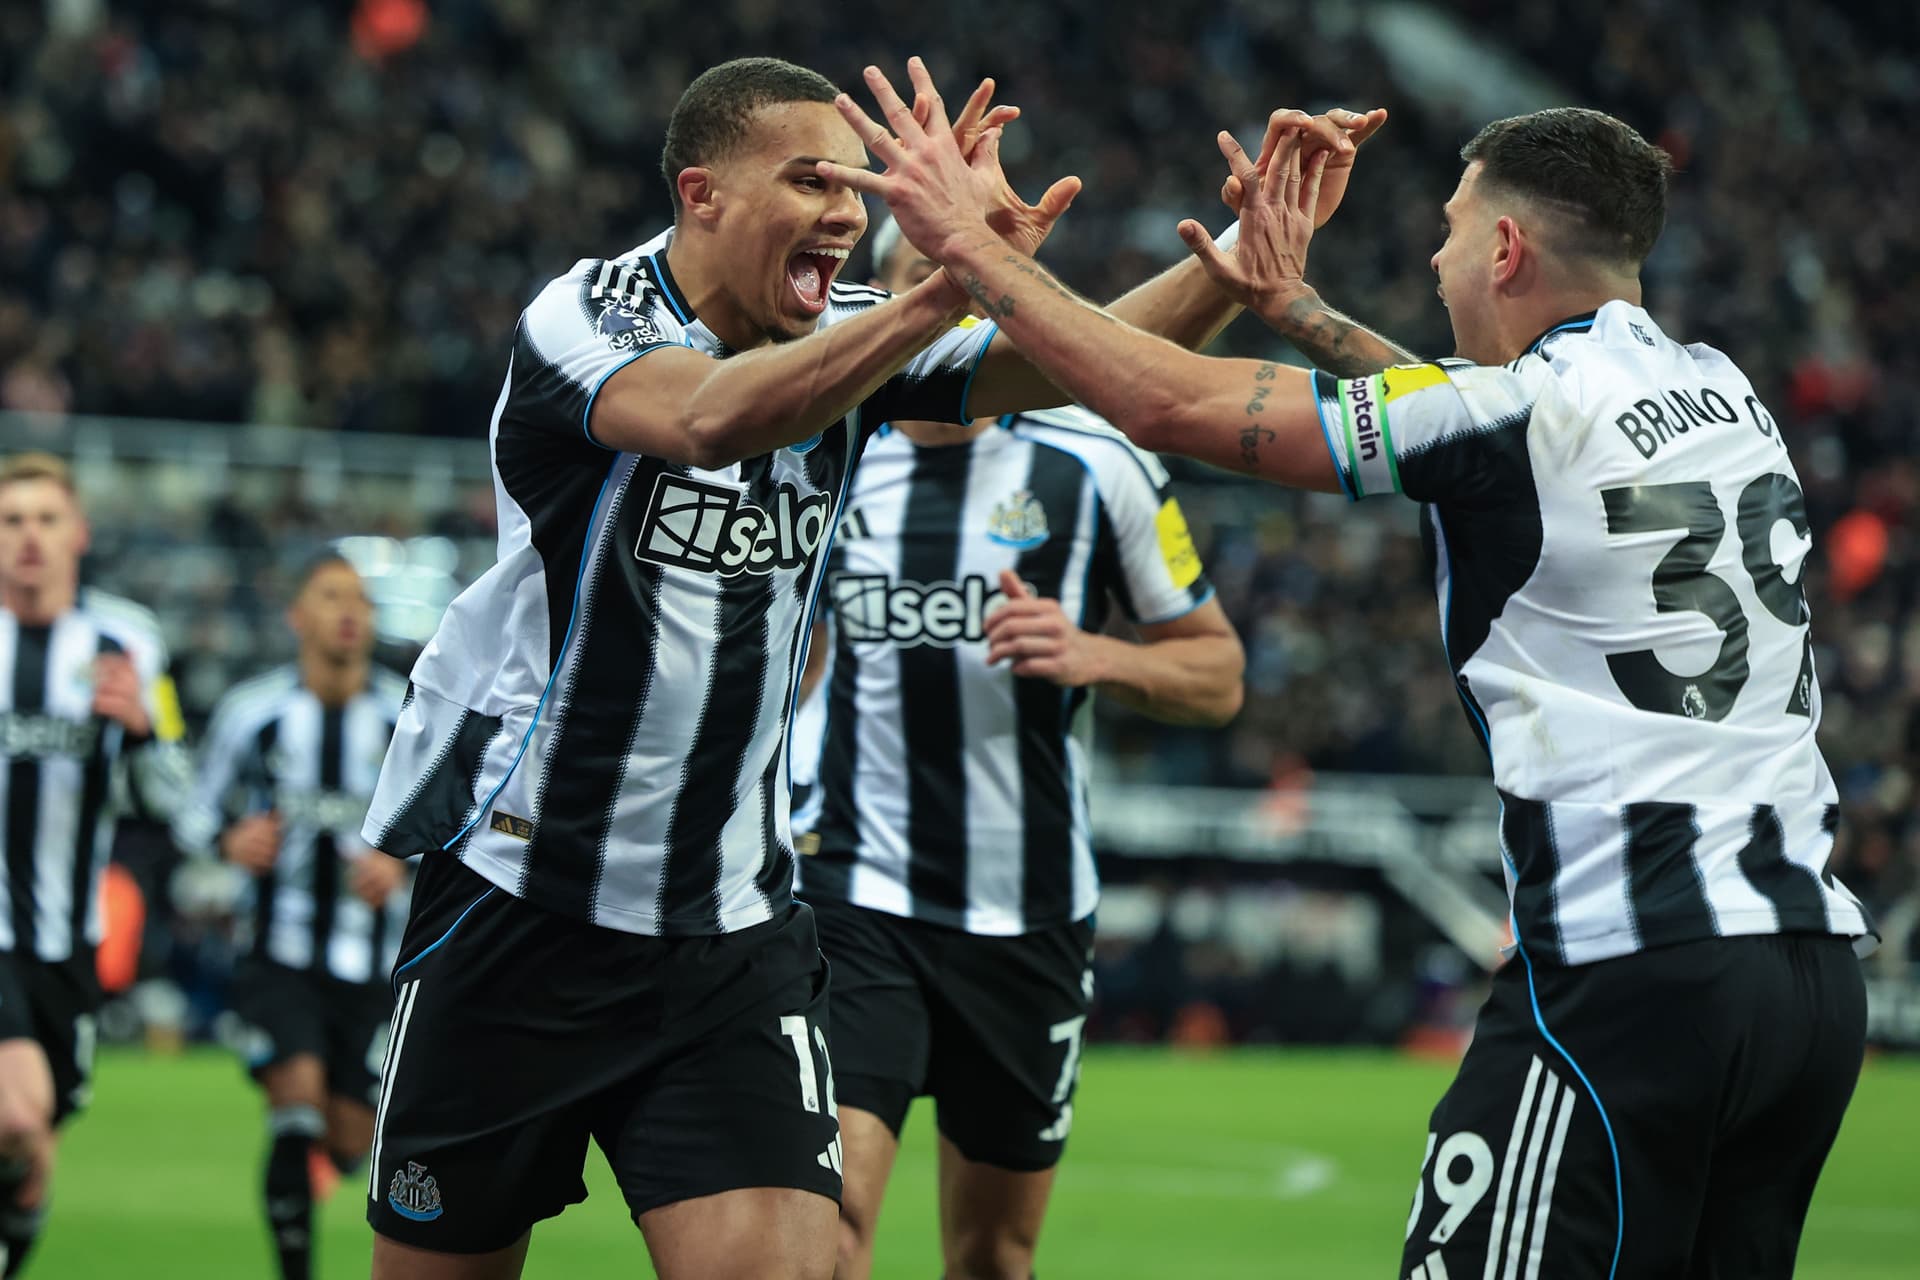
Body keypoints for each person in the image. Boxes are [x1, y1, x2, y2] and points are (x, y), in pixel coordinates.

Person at [835, 65, 1875, 1279]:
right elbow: (1481, 440)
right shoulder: (1714, 388)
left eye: (1444, 235)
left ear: (1501, 249)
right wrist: (1294, 308)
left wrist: (968, 252)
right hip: (1807, 977)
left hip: (1635, 969)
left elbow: (1169, 404)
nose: (1434, 264)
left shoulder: (1515, 414)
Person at [357, 55, 1261, 1280]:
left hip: (728, 932)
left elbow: (1074, 364)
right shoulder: (584, 320)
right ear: (702, 194)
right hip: (521, 910)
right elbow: (711, 418)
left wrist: (1224, 276)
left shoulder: (844, 337)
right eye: (814, 179)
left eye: (857, 185)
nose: (849, 211)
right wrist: (947, 288)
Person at [792, 215, 1246, 1280]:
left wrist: (1101, 654)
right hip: (856, 896)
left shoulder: (1100, 464)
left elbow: (1217, 671)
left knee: (993, 1255)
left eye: (966, 282)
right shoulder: (826, 450)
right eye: (917, 281)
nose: (943, 304)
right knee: (831, 1223)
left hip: (1029, 914)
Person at [173, 552, 411, 1280]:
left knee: (350, 1139)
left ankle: (335, 1153)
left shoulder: (408, 710)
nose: (348, 612)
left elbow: (456, 817)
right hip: (276, 952)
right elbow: (191, 805)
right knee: (296, 1105)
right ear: (296, 616)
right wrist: (227, 839)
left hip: (377, 962)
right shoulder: (257, 712)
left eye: (360, 600)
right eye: (330, 597)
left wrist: (404, 860)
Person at [0, 451, 186, 1276]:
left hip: (66, 944)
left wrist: (143, 729)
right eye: (11, 521)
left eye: (44, 519)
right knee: (13, 1118)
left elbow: (177, 795)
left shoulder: (131, 644)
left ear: (79, 532)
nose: (28, 538)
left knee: (31, 1146)